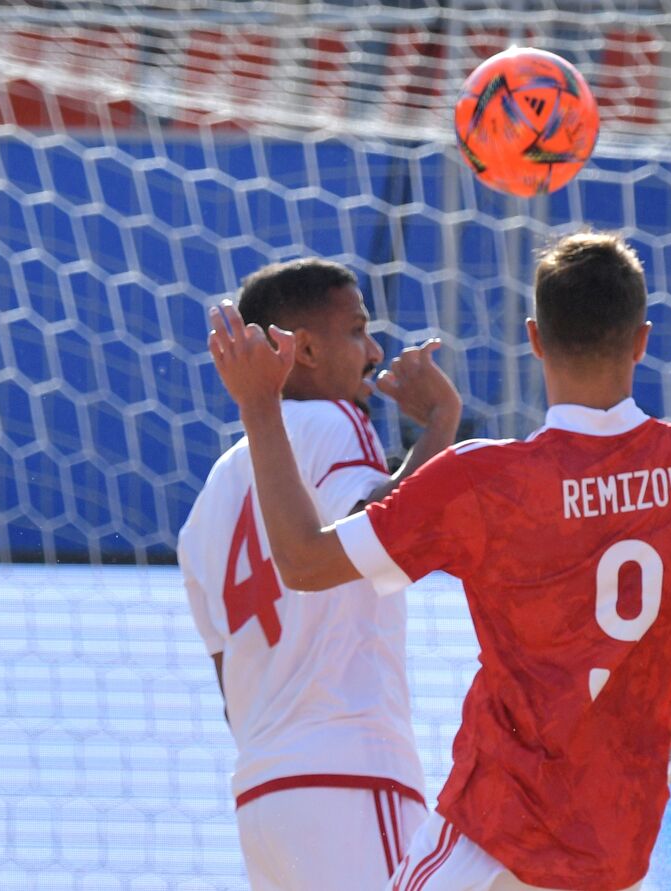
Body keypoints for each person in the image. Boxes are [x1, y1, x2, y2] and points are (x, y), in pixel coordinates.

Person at [204, 231, 671, 891]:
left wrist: (259, 405)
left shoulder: (486, 480)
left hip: (490, 838)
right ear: (641, 338)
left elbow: (302, 561)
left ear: (535, 338)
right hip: (611, 851)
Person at [178, 258, 462, 890]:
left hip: (264, 797)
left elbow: (233, 695)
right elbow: (381, 535)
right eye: (358, 329)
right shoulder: (333, 421)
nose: (375, 350)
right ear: (303, 349)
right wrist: (442, 423)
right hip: (351, 776)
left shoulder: (209, 499)